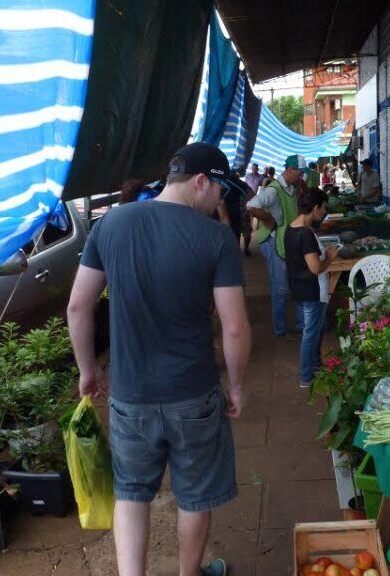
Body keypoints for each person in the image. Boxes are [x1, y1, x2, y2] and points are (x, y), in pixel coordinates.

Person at [67, 142, 251, 576]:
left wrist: (88, 370)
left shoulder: (111, 223)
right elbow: (236, 327)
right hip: (194, 394)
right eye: (220, 189)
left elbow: (78, 307)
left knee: (131, 493)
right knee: (195, 496)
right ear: (201, 181)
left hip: (130, 396)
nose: (222, 199)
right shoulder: (215, 238)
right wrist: (238, 386)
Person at [247, 154, 307, 338]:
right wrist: (267, 218)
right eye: (300, 173)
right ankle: (280, 330)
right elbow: (250, 206)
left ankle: (300, 324)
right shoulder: (274, 189)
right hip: (274, 241)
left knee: (293, 282)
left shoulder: (290, 187)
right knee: (280, 287)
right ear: (289, 170)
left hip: (287, 240)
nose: (301, 176)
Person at [285, 187, 338, 388]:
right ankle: (306, 376)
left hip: (298, 287)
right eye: (323, 208)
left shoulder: (292, 227)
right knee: (311, 332)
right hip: (311, 290)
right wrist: (330, 258)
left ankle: (315, 365)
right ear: (315, 208)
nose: (324, 212)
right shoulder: (305, 234)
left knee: (314, 330)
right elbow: (315, 268)